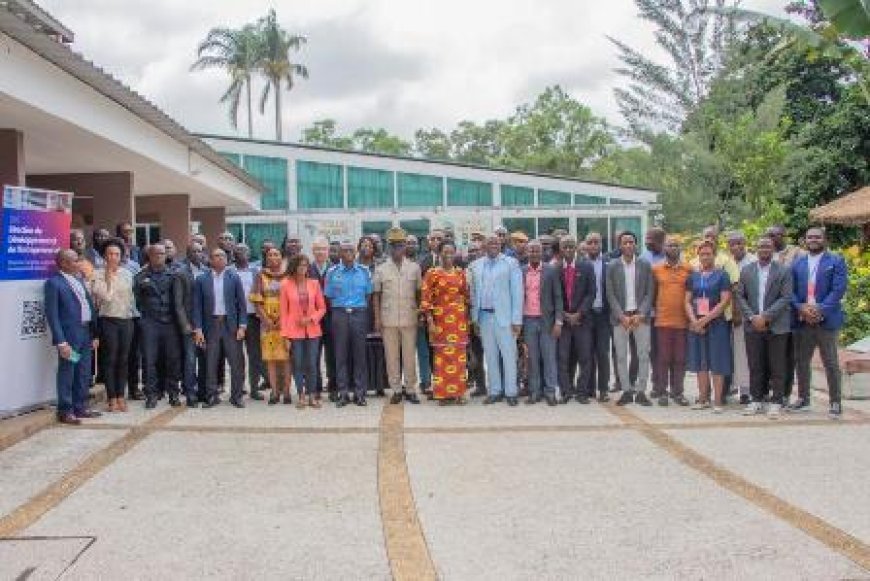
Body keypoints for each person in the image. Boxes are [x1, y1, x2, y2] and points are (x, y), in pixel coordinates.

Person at [790, 227, 847, 418]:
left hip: (826, 319)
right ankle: (803, 398)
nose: (813, 239)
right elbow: (790, 291)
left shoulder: (836, 261)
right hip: (803, 319)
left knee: (830, 362)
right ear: (804, 240)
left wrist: (819, 310)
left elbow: (838, 290)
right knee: (801, 361)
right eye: (810, 237)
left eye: (817, 237)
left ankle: (835, 402)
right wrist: (801, 308)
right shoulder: (797, 263)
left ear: (824, 240)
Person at [735, 237, 793, 419]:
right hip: (753, 326)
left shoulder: (783, 271)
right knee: (756, 365)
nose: (764, 249)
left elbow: (786, 297)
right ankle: (756, 400)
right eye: (761, 246)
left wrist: (766, 316)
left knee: (777, 366)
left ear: (773, 249)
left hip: (776, 326)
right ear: (756, 249)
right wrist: (753, 317)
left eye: (767, 246)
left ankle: (776, 402)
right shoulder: (746, 271)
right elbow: (740, 297)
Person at [45, 249, 101, 425]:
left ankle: (80, 407)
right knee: (68, 372)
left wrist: (93, 333)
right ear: (63, 263)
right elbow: (52, 315)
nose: (79, 263)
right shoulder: (54, 284)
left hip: (85, 334)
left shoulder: (78, 280)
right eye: (75, 260)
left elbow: (88, 306)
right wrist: (61, 342)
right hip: (70, 337)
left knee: (83, 372)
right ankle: (66, 410)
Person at [469, 234, 523, 406]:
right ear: (484, 246)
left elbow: (517, 293)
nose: (493, 244)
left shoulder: (511, 263)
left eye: (496, 242)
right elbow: (473, 293)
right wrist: (474, 319)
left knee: (508, 355)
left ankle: (511, 392)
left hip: (505, 318)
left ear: (501, 244)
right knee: (490, 356)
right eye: (489, 242)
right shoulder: (475, 266)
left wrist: (517, 320)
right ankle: (495, 391)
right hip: (484, 317)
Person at [134, 244, 188, 408]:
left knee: (173, 360)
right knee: (149, 360)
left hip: (170, 323)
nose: (159, 256)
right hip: (150, 323)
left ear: (166, 256)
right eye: (155, 254)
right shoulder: (140, 276)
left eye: (162, 253)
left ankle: (173, 393)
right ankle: (151, 394)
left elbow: (181, 300)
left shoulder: (175, 275)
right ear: (149, 256)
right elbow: (136, 300)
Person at [373, 228, 423, 404]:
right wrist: (377, 319)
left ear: (405, 247)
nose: (397, 249)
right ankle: (396, 389)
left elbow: (419, 293)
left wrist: (419, 314)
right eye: (394, 246)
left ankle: (410, 388)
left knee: (409, 355)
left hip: (409, 318)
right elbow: (376, 295)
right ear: (389, 248)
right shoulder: (380, 269)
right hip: (389, 319)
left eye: (400, 245)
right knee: (391, 356)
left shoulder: (415, 268)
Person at [193, 248, 248, 408]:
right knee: (211, 362)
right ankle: (211, 396)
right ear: (210, 259)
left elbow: (242, 305)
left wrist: (242, 326)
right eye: (215, 256)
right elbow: (197, 306)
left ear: (226, 259)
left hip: (230, 326)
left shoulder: (234, 277)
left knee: (236, 363)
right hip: (211, 326)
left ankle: (236, 396)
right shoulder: (201, 279)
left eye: (222, 256)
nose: (219, 259)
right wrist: (198, 329)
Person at [607, 231, 654, 406]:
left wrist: (641, 314)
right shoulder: (612, 266)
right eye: (625, 242)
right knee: (620, 356)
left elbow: (650, 292)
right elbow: (610, 294)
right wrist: (621, 316)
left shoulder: (645, 265)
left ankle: (641, 391)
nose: (628, 245)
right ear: (620, 245)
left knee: (643, 355)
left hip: (640, 317)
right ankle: (626, 391)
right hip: (620, 318)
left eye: (631, 242)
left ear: (636, 244)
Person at [686, 240, 733, 413]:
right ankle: (703, 398)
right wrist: (694, 321)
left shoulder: (722, 275)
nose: (705, 257)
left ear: (714, 255)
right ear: (698, 256)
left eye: (708, 253)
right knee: (701, 362)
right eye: (702, 254)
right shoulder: (693, 276)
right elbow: (687, 301)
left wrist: (704, 321)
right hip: (697, 325)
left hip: (716, 324)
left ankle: (718, 401)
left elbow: (724, 302)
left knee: (717, 361)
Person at [421, 240, 471, 404]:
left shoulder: (460, 273)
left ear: (455, 253)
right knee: (441, 357)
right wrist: (430, 321)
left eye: (451, 252)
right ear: (440, 253)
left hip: (458, 321)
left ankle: (459, 393)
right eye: (445, 252)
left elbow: (466, 296)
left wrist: (468, 319)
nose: (448, 255)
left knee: (459, 357)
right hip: (440, 321)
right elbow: (426, 300)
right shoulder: (432, 273)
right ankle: (443, 394)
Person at [325, 241, 373, 407]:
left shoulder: (364, 271)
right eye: (344, 251)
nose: (347, 253)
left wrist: (357, 307)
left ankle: (360, 393)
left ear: (355, 253)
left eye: (350, 250)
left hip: (359, 313)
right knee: (341, 355)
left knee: (360, 355)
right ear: (339, 254)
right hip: (339, 314)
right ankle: (343, 393)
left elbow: (368, 295)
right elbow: (329, 296)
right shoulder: (332, 272)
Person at [91, 239, 136, 413]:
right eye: (110, 254)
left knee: (124, 359)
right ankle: (111, 398)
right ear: (104, 256)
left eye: (117, 254)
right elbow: (106, 297)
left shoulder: (127, 274)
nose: (113, 257)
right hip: (107, 320)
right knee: (110, 359)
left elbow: (131, 298)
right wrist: (109, 277)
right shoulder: (97, 274)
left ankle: (120, 396)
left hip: (126, 320)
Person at [281, 254, 327, 408]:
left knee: (312, 364)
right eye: (300, 265)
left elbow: (322, 308)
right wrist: (285, 335)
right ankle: (301, 395)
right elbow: (284, 312)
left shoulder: (314, 284)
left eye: (305, 265)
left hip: (313, 330)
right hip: (294, 332)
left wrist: (311, 318)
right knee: (298, 364)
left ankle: (312, 395)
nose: (303, 268)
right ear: (294, 267)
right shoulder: (285, 284)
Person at [521, 240, 563, 406]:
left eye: (537, 251)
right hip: (528, 320)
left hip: (547, 321)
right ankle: (535, 391)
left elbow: (558, 297)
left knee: (549, 357)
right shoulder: (521, 270)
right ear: (526, 253)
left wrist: (559, 322)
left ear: (542, 252)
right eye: (531, 251)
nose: (534, 254)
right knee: (532, 359)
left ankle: (550, 391)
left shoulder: (551, 270)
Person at [650, 235, 691, 406]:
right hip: (663, 321)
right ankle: (662, 392)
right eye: (669, 245)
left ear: (680, 248)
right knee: (663, 358)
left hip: (683, 322)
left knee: (680, 359)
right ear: (664, 248)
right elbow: (652, 295)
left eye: (676, 245)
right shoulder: (656, 269)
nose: (672, 248)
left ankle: (678, 392)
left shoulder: (689, 269)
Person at [250, 247, 292, 405]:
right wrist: (266, 319)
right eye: (270, 255)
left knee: (287, 358)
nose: (273, 257)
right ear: (266, 258)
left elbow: (291, 300)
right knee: (271, 359)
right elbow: (256, 299)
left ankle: (287, 392)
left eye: (276, 254)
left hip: (286, 322)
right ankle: (274, 392)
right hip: (266, 324)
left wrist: (282, 318)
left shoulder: (288, 275)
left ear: (282, 257)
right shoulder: (260, 275)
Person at [556, 236, 596, 404]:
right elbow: (553, 295)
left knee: (585, 357)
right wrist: (564, 314)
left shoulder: (586, 266)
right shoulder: (555, 269)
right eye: (565, 247)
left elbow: (591, 293)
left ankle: (582, 392)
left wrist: (579, 313)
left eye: (571, 246)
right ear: (560, 249)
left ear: (576, 248)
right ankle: (566, 391)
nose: (568, 250)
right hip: (563, 321)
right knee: (563, 358)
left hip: (582, 320)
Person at [768, 224, 804, 402]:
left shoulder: (797, 254)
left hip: (788, 313)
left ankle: (784, 393)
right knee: (769, 355)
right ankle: (770, 392)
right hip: (766, 313)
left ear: (784, 235)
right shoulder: (764, 253)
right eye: (769, 235)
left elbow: (801, 282)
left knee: (787, 356)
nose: (771, 238)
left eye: (775, 234)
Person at [727, 231, 757, 405]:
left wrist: (743, 312)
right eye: (732, 244)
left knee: (745, 354)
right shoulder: (726, 262)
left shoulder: (752, 261)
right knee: (732, 352)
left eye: (739, 243)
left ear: (745, 243)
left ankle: (746, 391)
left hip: (747, 315)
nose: (736, 247)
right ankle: (730, 386)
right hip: (727, 314)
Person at [233, 244, 264, 400]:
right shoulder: (229, 272)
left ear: (250, 253)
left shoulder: (256, 272)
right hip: (235, 320)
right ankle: (239, 388)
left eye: (245, 250)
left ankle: (254, 388)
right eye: (238, 250)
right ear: (233, 254)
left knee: (255, 356)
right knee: (237, 357)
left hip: (253, 319)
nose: (241, 253)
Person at [583, 232, 611, 401]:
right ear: (585, 245)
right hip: (586, 315)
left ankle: (604, 389)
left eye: (597, 242)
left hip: (603, 314)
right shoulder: (581, 263)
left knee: (602, 353)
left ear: (601, 244)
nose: (593, 245)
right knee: (587, 353)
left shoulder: (609, 263)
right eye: (590, 242)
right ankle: (589, 388)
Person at [308, 237, 335, 400]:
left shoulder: (335, 269)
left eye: (323, 249)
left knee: (332, 355)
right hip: (312, 320)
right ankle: (315, 387)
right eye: (317, 249)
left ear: (328, 251)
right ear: (312, 251)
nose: (320, 252)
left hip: (332, 319)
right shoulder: (307, 270)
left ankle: (333, 387)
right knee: (313, 355)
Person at [465, 241, 486, 396]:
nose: (473, 253)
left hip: (489, 317)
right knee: (476, 353)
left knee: (494, 353)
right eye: (470, 250)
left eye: (476, 250)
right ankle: (481, 386)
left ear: (482, 251)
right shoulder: (465, 271)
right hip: (471, 319)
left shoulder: (488, 268)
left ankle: (500, 386)